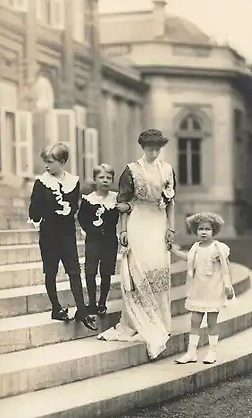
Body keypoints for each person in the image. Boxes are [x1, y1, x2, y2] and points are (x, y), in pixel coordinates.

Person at [97, 129, 176, 360]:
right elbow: (123, 202)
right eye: (149, 147)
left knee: (159, 270)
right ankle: (136, 321)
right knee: (139, 270)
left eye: (157, 147)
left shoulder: (168, 170)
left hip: (158, 223)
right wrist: (122, 230)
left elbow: (171, 202)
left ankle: (160, 320)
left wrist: (171, 228)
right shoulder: (131, 170)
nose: (153, 151)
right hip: (138, 222)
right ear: (142, 147)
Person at [28, 142, 97, 330]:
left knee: (74, 271)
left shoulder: (73, 181)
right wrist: (48, 210)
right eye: (45, 162)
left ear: (63, 161)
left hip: (67, 234)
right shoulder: (41, 182)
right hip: (49, 233)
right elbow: (34, 211)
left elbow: (75, 205)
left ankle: (81, 310)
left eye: (50, 162)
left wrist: (68, 210)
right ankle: (56, 308)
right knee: (50, 271)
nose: (47, 166)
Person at [168, 212, 235, 364]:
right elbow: (188, 258)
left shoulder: (218, 248)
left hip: (214, 289)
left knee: (212, 322)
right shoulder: (195, 247)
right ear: (195, 230)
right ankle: (191, 353)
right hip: (198, 289)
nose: (204, 232)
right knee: (195, 320)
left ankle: (212, 352)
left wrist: (228, 284)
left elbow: (226, 267)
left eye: (207, 229)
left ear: (214, 231)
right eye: (200, 229)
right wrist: (174, 251)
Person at [77, 163, 130, 317]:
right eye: (101, 177)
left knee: (106, 273)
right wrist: (91, 230)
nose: (105, 180)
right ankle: (92, 303)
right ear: (95, 179)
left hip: (109, 242)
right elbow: (82, 218)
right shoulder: (88, 199)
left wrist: (126, 206)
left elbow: (126, 210)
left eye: (108, 178)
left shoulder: (115, 198)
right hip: (93, 241)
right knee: (90, 271)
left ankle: (102, 303)